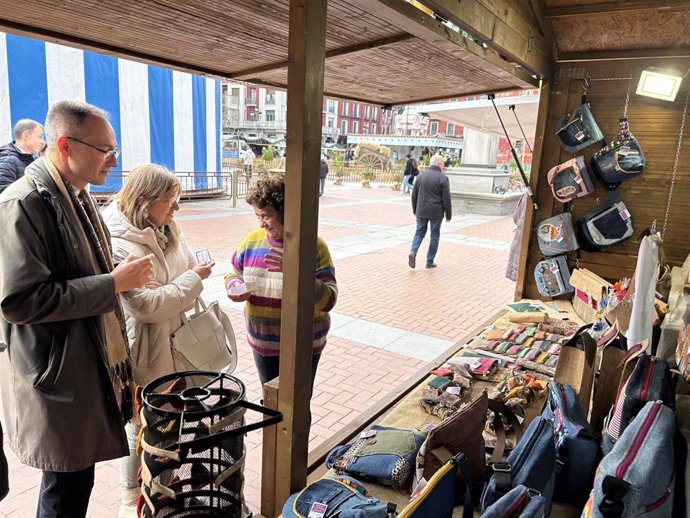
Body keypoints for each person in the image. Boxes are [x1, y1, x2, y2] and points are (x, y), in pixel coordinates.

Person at [0, 100, 154, 518]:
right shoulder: (23, 203)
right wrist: (111, 283)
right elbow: (20, 301)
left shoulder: (78, 195)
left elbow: (79, 271)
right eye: (106, 150)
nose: (114, 160)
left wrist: (113, 273)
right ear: (66, 144)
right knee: (65, 486)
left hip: (81, 366)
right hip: (57, 375)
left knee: (74, 480)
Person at [102, 163, 215, 518]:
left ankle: (165, 490)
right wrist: (189, 280)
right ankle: (131, 497)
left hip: (178, 344)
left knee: (173, 424)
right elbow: (148, 307)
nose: (177, 208)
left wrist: (172, 289)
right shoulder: (120, 244)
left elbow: (180, 276)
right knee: (141, 427)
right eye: (171, 200)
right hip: (146, 353)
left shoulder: (166, 228)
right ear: (145, 200)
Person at [224, 175, 337, 399]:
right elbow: (233, 272)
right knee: (271, 403)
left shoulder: (314, 246)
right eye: (258, 216)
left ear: (287, 213)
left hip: (302, 349)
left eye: (266, 216)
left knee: (297, 404)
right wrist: (234, 286)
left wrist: (298, 272)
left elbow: (329, 300)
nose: (261, 223)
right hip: (262, 345)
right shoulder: (251, 241)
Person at [408, 153, 452, 269]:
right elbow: (446, 198)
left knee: (419, 232)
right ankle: (429, 260)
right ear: (439, 164)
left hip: (421, 210)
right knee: (434, 235)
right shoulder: (443, 178)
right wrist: (448, 215)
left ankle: (413, 251)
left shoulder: (421, 176)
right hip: (436, 212)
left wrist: (415, 210)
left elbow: (414, 195)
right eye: (443, 164)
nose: (443, 166)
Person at [0, 118, 45, 194]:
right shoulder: (8, 160)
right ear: (26, 135)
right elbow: (4, 196)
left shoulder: (34, 157)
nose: (42, 142)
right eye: (40, 137)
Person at [505, 191, 529, 281]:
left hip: (520, 237)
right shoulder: (530, 195)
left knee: (518, 270)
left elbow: (515, 217)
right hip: (524, 236)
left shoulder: (526, 195)